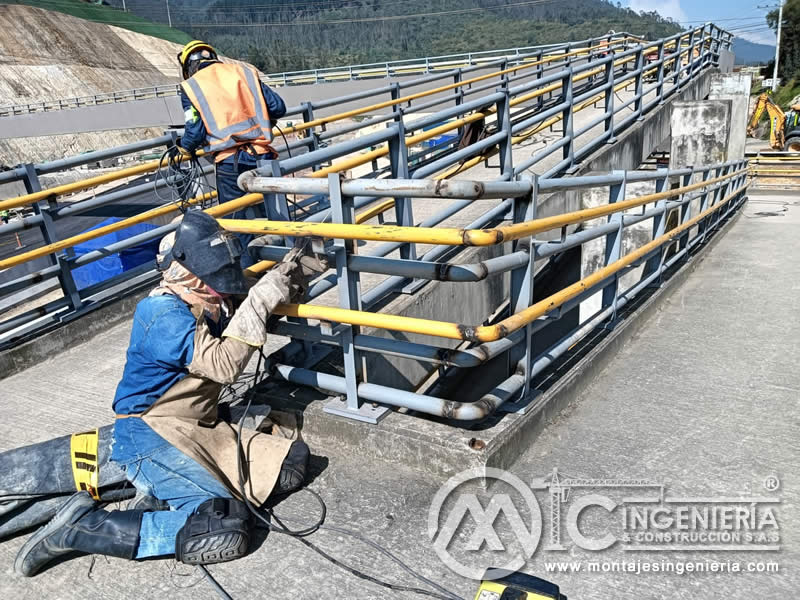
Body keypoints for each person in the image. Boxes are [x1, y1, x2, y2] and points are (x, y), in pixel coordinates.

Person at [15, 210, 311, 577]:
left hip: (197, 426)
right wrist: (259, 302)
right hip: (149, 433)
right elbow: (221, 363)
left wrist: (293, 272)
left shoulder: (209, 300)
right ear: (191, 271)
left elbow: (246, 294)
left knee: (290, 463)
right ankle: (83, 529)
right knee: (224, 525)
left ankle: (159, 494)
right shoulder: (161, 312)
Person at [176, 41, 287, 264]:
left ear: (188, 66)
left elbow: (195, 130)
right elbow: (277, 107)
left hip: (229, 163)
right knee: (274, 218)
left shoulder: (191, 86)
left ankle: (248, 276)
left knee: (236, 225)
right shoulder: (244, 72)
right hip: (263, 156)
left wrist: (183, 147)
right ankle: (282, 265)